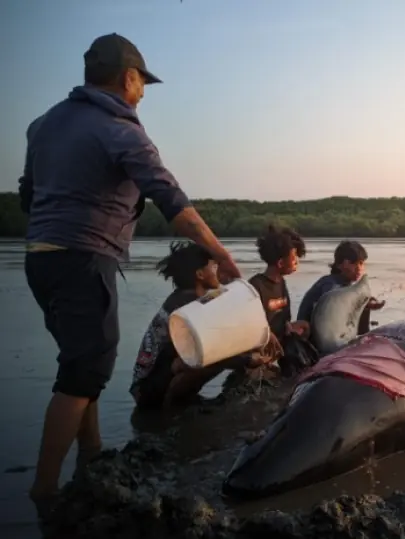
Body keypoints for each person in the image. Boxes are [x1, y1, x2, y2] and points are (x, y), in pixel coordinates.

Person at [17, 33, 241, 510]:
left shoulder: (44, 124)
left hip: (40, 256)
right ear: (129, 77)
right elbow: (171, 202)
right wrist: (220, 253)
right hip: (84, 257)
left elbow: (27, 192)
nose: (142, 94)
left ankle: (92, 453)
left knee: (80, 362)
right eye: (142, 84)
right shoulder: (122, 129)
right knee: (87, 367)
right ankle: (44, 490)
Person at [130, 242, 271, 410]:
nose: (217, 269)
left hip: (157, 380)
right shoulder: (185, 305)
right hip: (149, 391)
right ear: (200, 274)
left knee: (217, 351)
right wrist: (248, 360)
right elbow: (215, 348)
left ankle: (185, 401)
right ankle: (171, 408)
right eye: (213, 266)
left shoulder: (195, 298)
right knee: (207, 354)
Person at [248, 225, 317, 376]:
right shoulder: (256, 285)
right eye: (294, 258)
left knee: (306, 327)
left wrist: (291, 327)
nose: (297, 261)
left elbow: (284, 316)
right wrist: (268, 334)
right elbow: (249, 322)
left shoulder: (281, 283)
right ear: (280, 263)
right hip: (263, 341)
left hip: (281, 337)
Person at [297, 240, 386, 346]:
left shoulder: (347, 286)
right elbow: (335, 310)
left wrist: (366, 303)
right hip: (314, 342)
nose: (358, 268)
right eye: (353, 263)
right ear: (339, 265)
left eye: (361, 263)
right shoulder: (330, 284)